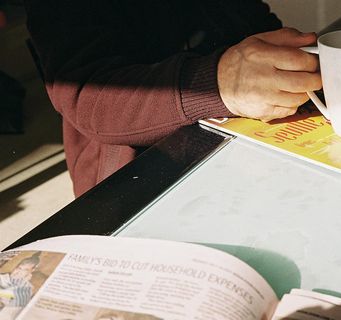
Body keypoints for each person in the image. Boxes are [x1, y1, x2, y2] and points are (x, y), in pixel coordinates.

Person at [23, 0, 322, 197]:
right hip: (135, 173)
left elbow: (255, 23)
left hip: (247, 141)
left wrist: (284, 59)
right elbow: (87, 94)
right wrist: (217, 83)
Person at [0, 252, 40, 320]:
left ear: (32, 271)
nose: (19, 272)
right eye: (19, 268)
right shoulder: (2, 277)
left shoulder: (28, 288)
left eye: (25, 270)